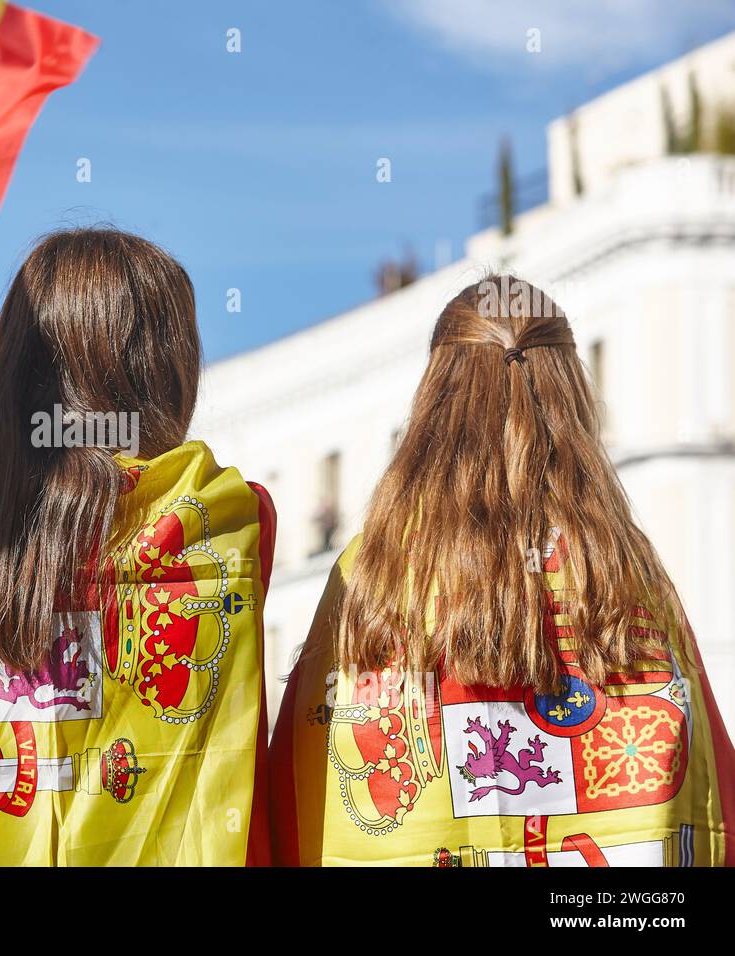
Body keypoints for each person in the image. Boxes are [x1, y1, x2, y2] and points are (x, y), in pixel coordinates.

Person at [269, 275, 735, 867]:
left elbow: (300, 784)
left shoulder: (375, 571)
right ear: (571, 395)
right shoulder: (625, 570)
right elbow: (710, 790)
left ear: (435, 399)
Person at [0, 228, 277, 865]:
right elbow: (90, 525)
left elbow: (47, 525)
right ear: (163, 372)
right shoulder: (229, 519)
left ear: (14, 369)